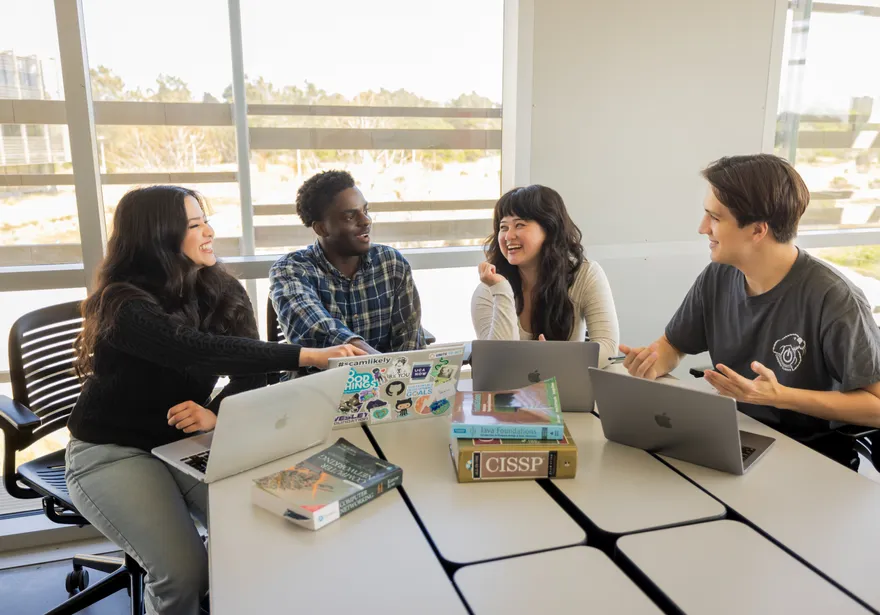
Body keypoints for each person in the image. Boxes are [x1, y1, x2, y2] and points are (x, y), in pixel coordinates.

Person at [66, 186, 364, 615]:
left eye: (205, 219)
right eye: (194, 225)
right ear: (159, 237)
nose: (209, 231)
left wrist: (216, 412)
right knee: (185, 573)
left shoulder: (220, 287)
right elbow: (193, 348)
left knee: (275, 526)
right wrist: (308, 354)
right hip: (112, 452)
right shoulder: (122, 303)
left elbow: (253, 368)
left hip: (183, 446)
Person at [619, 154, 880, 469]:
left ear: (758, 230)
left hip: (811, 457)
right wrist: (651, 361)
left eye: (715, 218)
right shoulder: (718, 276)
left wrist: (779, 396)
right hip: (735, 436)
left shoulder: (835, 299)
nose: (703, 228)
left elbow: (876, 406)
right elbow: (674, 345)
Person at [269, 170, 425, 355]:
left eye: (365, 211)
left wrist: (398, 376)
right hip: (317, 382)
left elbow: (409, 338)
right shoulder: (290, 270)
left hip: (386, 382)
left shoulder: (391, 264)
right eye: (350, 216)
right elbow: (314, 328)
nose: (366, 221)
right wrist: (376, 362)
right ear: (321, 228)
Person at [471, 184, 620, 368]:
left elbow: (608, 348)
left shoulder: (585, 274)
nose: (508, 236)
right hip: (510, 395)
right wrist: (501, 290)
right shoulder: (489, 290)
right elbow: (497, 364)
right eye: (503, 227)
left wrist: (554, 360)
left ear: (549, 229)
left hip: (567, 390)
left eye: (519, 225)